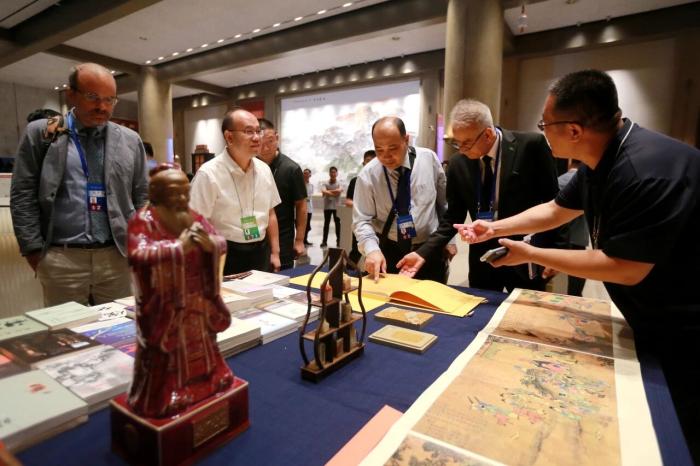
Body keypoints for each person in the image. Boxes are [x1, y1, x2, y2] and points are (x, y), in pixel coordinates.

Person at [456, 69, 700, 462]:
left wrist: (531, 253)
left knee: (674, 434)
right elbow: (556, 210)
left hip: (684, 325)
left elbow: (624, 267)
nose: (542, 133)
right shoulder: (601, 158)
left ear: (573, 130)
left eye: (545, 125)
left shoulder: (644, 171)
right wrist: (493, 228)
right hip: (650, 314)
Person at [10, 62, 148, 306]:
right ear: (71, 94)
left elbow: (142, 196)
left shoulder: (130, 140)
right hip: (62, 258)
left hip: (116, 257)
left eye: (109, 100)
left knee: (120, 326)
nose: (102, 106)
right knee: (67, 329)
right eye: (93, 97)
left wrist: (140, 244)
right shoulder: (41, 133)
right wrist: (33, 250)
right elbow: (23, 194)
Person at [398, 99, 559, 292]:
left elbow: (554, 203)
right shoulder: (458, 164)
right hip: (483, 260)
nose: (461, 149)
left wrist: (556, 251)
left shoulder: (531, 146)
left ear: (488, 134)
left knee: (525, 309)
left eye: (466, 143)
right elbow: (452, 218)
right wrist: (422, 253)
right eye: (456, 142)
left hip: (525, 254)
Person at [127, 165, 233, 418]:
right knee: (168, 350)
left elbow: (219, 240)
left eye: (186, 192)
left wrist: (209, 244)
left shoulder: (193, 216)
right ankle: (168, 392)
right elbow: (137, 254)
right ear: (158, 194)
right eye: (175, 193)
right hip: (167, 301)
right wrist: (177, 247)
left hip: (197, 295)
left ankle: (211, 377)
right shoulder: (144, 221)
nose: (183, 199)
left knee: (203, 341)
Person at [353, 117, 450, 283]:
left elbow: (444, 204)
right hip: (389, 251)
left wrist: (449, 240)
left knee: (431, 296)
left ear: (406, 139)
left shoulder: (428, 159)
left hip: (429, 248)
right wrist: (372, 250)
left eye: (393, 148)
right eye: (379, 149)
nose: (386, 156)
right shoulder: (368, 175)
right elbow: (362, 220)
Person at [189, 107, 281, 274]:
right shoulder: (208, 174)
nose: (256, 138)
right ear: (229, 137)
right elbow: (196, 222)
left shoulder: (264, 170)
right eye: (248, 131)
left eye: (258, 131)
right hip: (226, 254)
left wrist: (275, 253)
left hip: (260, 251)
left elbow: (271, 213)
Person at [257, 118, 307, 270]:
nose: (265, 148)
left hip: (283, 237)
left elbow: (301, 205)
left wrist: (299, 240)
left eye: (270, 141)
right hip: (256, 238)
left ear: (277, 138)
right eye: (260, 144)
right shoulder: (251, 166)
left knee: (282, 278)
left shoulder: (291, 169)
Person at [557, 159, 587, 296]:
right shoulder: (586, 182)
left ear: (570, 163)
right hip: (580, 239)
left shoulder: (559, 180)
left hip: (561, 238)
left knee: (558, 287)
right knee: (576, 288)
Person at [345, 150, 376, 264]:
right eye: (368, 161)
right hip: (361, 221)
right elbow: (348, 201)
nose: (370, 164)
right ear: (363, 163)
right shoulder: (356, 180)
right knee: (356, 250)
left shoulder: (381, 181)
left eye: (373, 161)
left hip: (378, 223)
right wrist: (363, 206)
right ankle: (348, 270)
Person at [320, 166, 342, 248]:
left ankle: (339, 241)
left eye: (334, 172)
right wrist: (334, 192)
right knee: (326, 224)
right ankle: (324, 241)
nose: (333, 174)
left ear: (337, 173)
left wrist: (327, 191)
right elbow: (323, 191)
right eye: (331, 172)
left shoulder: (339, 183)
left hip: (337, 207)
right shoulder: (325, 183)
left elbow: (339, 191)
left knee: (338, 225)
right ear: (329, 173)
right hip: (327, 207)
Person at [303, 168, 313, 246]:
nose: (306, 175)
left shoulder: (311, 185)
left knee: (307, 225)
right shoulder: (300, 185)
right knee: (301, 225)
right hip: (301, 209)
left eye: (307, 173)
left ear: (310, 175)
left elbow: (309, 197)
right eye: (304, 173)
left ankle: (305, 240)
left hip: (309, 208)